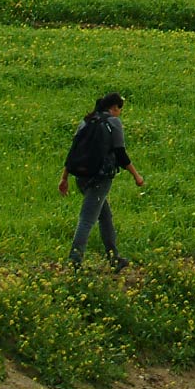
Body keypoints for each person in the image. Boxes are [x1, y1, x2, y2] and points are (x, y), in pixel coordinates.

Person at [60, 93, 144, 270]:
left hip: (81, 177)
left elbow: (73, 150)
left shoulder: (86, 121)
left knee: (105, 216)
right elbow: (120, 153)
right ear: (114, 108)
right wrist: (136, 176)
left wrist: (64, 177)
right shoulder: (113, 122)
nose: (120, 113)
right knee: (87, 219)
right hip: (100, 178)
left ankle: (114, 258)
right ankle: (74, 261)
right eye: (120, 109)